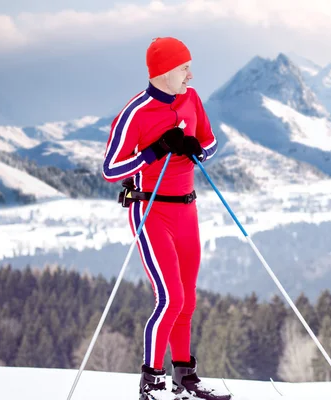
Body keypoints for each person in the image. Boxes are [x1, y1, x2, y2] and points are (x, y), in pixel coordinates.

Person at [102, 37, 230, 400]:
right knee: (170, 298)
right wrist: (156, 150)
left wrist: (196, 150)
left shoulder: (191, 98)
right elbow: (111, 168)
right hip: (152, 211)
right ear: (162, 73)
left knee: (187, 299)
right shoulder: (136, 112)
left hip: (187, 210)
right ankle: (152, 381)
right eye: (182, 68)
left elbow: (211, 142)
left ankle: (185, 378)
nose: (191, 73)